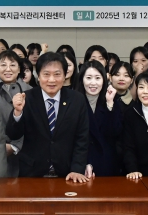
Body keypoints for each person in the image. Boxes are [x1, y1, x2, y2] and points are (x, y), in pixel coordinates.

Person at [6, 52, 90, 182]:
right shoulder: (26, 98)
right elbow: (13, 135)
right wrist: (17, 112)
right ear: (38, 76)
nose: (51, 80)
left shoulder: (77, 100)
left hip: (67, 173)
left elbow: (82, 138)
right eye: (46, 74)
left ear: (65, 76)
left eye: (57, 74)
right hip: (32, 173)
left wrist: (77, 169)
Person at [0, 51, 32, 177]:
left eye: (12, 65)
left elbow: (32, 124)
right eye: (3, 65)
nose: (8, 69)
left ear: (19, 69)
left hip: (23, 153)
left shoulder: (30, 91)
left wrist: (15, 146)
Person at [76, 61, 122, 177]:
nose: (93, 83)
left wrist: (109, 104)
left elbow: (115, 132)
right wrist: (84, 162)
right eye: (88, 78)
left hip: (106, 164)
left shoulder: (112, 100)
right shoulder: (74, 102)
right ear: (82, 79)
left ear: (104, 80)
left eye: (97, 78)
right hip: (81, 163)